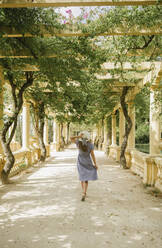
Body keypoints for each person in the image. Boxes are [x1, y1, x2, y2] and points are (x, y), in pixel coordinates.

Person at [70, 131, 98, 201]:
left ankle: (84, 192)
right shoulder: (90, 144)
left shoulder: (79, 143)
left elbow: (71, 138)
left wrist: (78, 136)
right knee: (86, 178)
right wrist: (95, 164)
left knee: (82, 177)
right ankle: (84, 192)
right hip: (88, 162)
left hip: (80, 161)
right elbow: (92, 155)